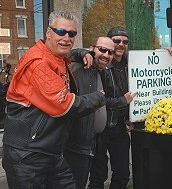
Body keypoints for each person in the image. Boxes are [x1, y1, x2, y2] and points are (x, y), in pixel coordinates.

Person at [2, 10, 106, 188]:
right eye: (60, 32)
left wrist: (82, 53)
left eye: (72, 34)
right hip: (27, 155)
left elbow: (68, 54)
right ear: (48, 33)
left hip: (51, 152)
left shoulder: (55, 56)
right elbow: (64, 105)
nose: (66, 38)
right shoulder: (39, 63)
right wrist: (99, 97)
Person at [64, 36, 115, 189]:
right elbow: (65, 56)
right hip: (75, 144)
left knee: (94, 179)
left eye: (110, 52)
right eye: (102, 49)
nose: (106, 55)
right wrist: (81, 52)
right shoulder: (79, 68)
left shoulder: (103, 72)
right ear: (92, 49)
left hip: (95, 142)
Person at [88, 27, 135, 189]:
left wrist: (132, 116)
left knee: (122, 173)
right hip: (100, 128)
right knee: (98, 175)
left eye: (125, 41)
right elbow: (97, 99)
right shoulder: (99, 63)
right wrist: (122, 101)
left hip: (120, 127)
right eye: (116, 41)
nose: (121, 44)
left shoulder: (133, 63)